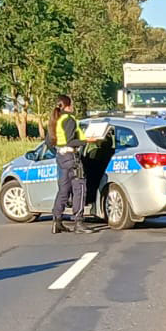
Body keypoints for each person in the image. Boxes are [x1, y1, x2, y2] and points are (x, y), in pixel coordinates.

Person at [47, 94, 96, 234]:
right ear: (68, 105)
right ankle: (78, 222)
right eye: (72, 104)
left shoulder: (55, 119)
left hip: (61, 157)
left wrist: (59, 151)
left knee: (63, 190)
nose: (73, 106)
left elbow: (49, 142)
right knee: (79, 188)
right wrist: (87, 141)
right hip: (71, 157)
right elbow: (70, 141)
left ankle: (57, 221)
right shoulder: (69, 120)